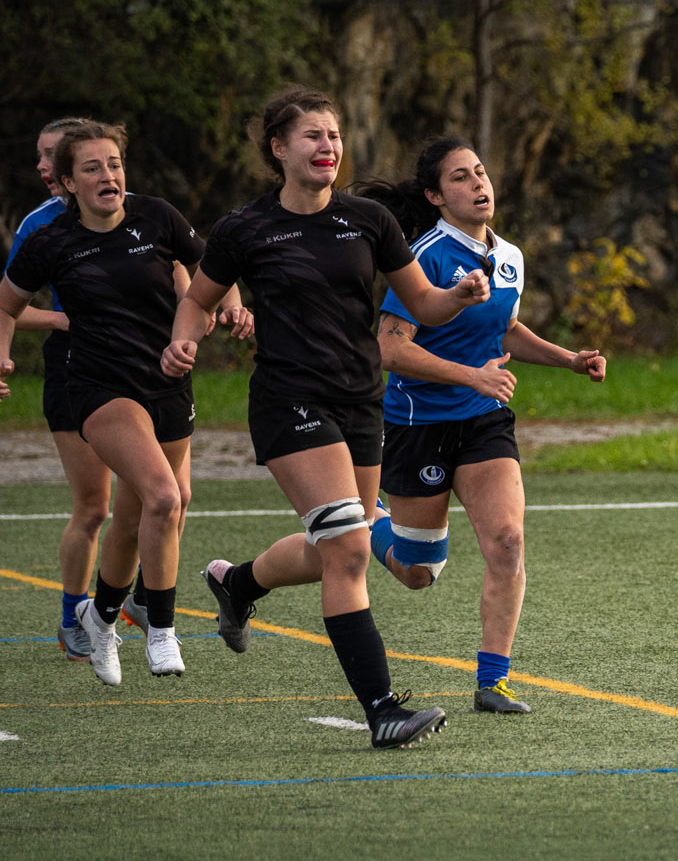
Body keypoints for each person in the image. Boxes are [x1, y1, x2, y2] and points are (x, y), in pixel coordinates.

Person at [163, 86, 490, 748]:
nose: (327, 147)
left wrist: (456, 295)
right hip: (289, 401)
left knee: (334, 549)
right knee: (346, 549)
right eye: (312, 136)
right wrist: (183, 340)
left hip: (360, 400)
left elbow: (421, 305)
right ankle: (382, 711)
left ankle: (238, 582)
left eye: (333, 136)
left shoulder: (368, 221)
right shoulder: (245, 228)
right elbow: (197, 298)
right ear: (279, 149)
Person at [353, 136, 606, 715]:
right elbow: (389, 350)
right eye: (461, 177)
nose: (479, 183)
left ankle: (492, 681)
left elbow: (507, 330)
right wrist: (472, 376)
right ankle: (370, 520)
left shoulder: (510, 255)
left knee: (508, 542)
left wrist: (568, 358)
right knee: (420, 573)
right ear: (436, 196)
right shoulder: (423, 257)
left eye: (482, 172)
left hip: (484, 421)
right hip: (419, 423)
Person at [0, 121, 252, 685]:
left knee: (146, 510)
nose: (108, 175)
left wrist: (231, 305)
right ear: (68, 182)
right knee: (162, 496)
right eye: (92, 168)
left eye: (114, 164)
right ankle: (160, 627)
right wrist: (3, 353)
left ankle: (103, 616)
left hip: (166, 380)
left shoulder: (156, 216)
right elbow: (5, 305)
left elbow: (215, 271)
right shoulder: (49, 240)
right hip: (97, 388)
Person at [7, 117, 110, 659]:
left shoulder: (141, 214)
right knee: (93, 508)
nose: (43, 167)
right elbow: (9, 307)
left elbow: (192, 273)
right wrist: (63, 321)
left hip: (142, 372)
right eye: (41, 157)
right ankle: (75, 617)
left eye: (52, 155)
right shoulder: (40, 227)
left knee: (163, 501)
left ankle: (125, 605)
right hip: (74, 372)